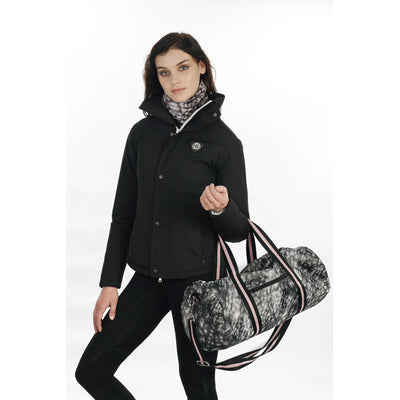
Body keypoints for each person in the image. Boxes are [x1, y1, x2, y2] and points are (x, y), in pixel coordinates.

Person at [75, 32, 251, 400]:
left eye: (183, 68)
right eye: (164, 72)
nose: (175, 80)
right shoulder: (142, 134)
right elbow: (123, 212)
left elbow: (239, 231)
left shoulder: (224, 142)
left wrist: (221, 208)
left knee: (198, 387)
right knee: (91, 370)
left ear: (201, 67)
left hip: (198, 286)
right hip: (147, 278)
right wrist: (110, 282)